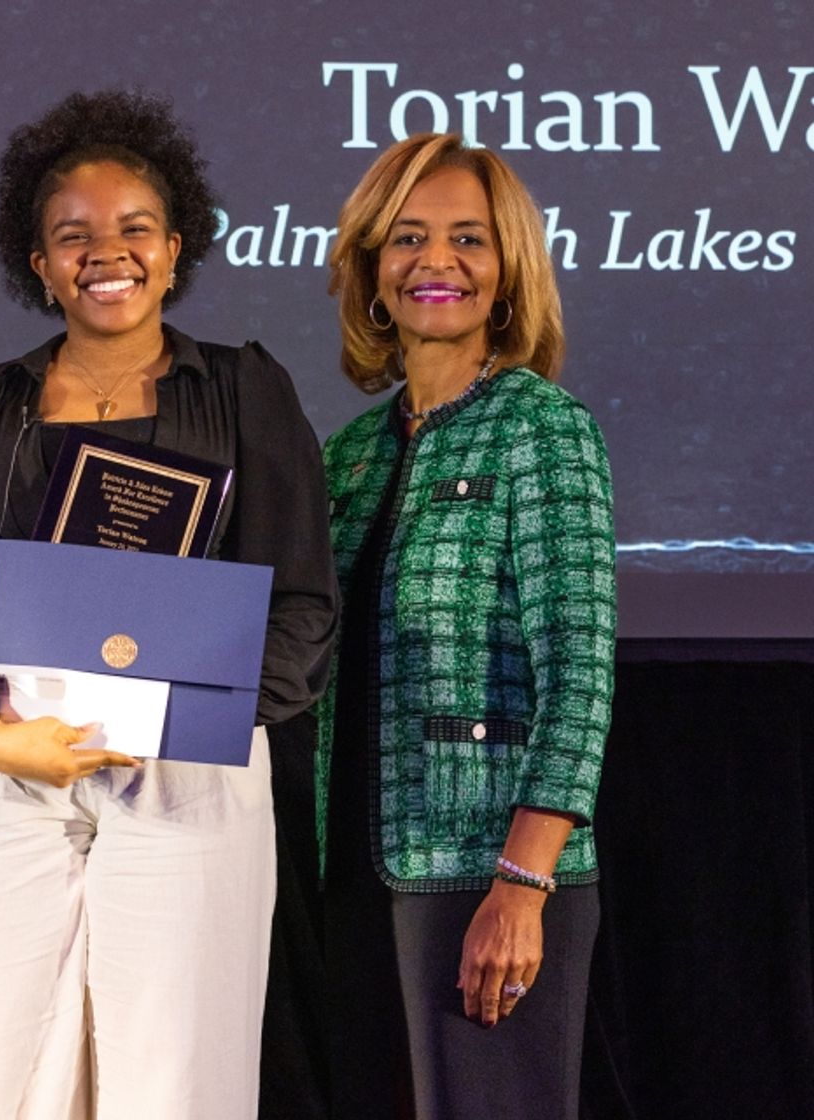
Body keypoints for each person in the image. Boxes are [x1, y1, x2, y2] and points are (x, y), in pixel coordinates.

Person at [0, 89, 338, 1120]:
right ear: (36, 263)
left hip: (185, 772)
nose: (107, 253)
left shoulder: (243, 393)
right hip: (5, 763)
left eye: (134, 229)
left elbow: (302, 603)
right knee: (21, 1076)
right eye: (71, 236)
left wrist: (195, 713)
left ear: (175, 250)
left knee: (173, 1076)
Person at [318, 132, 615, 1119]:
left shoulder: (542, 427)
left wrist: (520, 884)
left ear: (507, 270)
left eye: (466, 240)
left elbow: (578, 673)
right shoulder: (350, 452)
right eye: (405, 237)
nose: (434, 262)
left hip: (484, 884)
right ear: (368, 266)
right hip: (357, 879)